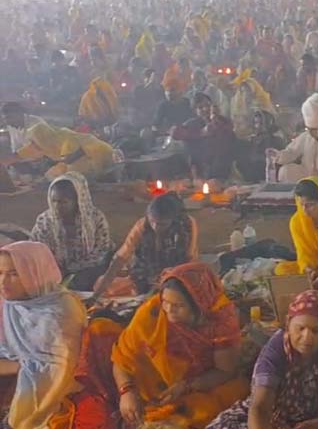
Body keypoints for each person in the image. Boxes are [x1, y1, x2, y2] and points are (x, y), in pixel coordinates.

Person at [207, 289, 318, 429]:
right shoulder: (276, 350)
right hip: (276, 414)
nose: (307, 338)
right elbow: (261, 406)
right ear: (288, 325)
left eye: (316, 331)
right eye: (300, 329)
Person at [112, 263, 249, 428]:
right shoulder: (153, 312)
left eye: (179, 305)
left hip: (200, 387)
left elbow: (224, 371)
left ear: (199, 305)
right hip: (150, 392)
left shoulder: (220, 320)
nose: (169, 310)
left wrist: (186, 386)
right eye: (165, 301)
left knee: (212, 408)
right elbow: (121, 360)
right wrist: (126, 392)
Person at [0, 242, 86, 428]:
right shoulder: (11, 303)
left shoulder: (60, 311)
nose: (3, 282)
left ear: (35, 272)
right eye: (0, 273)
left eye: (14, 274)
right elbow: (8, 349)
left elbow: (59, 369)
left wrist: (15, 366)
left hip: (53, 392)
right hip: (21, 372)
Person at [92, 192, 199, 298]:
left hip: (177, 276)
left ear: (174, 220)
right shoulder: (142, 225)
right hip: (145, 276)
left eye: (162, 224)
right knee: (102, 284)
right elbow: (120, 258)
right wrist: (97, 294)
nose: (155, 227)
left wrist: (170, 279)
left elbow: (189, 260)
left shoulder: (187, 226)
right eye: (152, 221)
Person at [30, 172, 113, 291]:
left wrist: (71, 269)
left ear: (78, 201)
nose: (57, 206)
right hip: (54, 269)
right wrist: (55, 269)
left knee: (84, 281)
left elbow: (101, 251)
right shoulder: (44, 221)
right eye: (54, 201)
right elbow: (36, 251)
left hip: (89, 268)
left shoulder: (95, 218)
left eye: (63, 202)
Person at [271, 93, 318, 185]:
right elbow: (291, 152)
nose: (311, 132)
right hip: (307, 175)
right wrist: (278, 156)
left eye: (314, 129)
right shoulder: (306, 136)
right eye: (309, 129)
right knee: (285, 171)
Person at [0, 121, 114, 181]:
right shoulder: (43, 142)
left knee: (71, 178)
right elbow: (18, 155)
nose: (32, 144)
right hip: (80, 159)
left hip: (98, 154)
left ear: (43, 139)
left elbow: (70, 161)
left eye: (34, 141)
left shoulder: (66, 139)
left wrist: (51, 175)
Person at [171, 93, 237, 181]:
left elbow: (231, 133)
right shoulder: (192, 124)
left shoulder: (223, 120)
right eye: (200, 107)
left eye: (208, 105)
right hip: (200, 169)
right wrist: (201, 133)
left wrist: (216, 121)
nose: (205, 109)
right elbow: (175, 133)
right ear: (195, 111)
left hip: (222, 167)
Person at [236, 111, 286, 182]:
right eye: (256, 123)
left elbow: (278, 158)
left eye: (261, 123)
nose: (258, 126)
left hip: (268, 173)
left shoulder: (276, 139)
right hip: (252, 174)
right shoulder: (252, 138)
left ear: (268, 123)